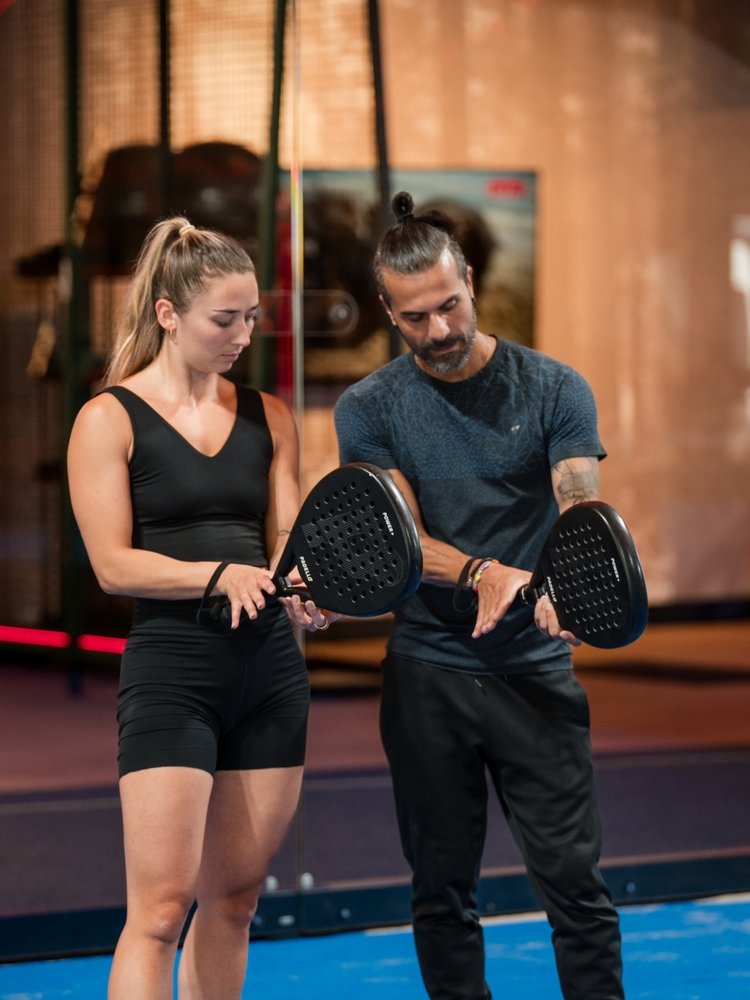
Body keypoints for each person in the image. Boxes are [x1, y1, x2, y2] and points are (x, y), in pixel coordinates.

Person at [334, 192, 624, 1000]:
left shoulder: (554, 387)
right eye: (417, 317)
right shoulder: (369, 408)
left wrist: (571, 580)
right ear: (389, 312)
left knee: (575, 884)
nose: (440, 331)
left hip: (535, 671)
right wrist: (482, 572)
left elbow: (581, 509)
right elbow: (399, 537)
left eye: (451, 305)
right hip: (428, 674)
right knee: (441, 889)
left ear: (468, 279)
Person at [67, 217, 332, 1000]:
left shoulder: (272, 417)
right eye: (226, 318)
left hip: (271, 679)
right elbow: (113, 565)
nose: (243, 334)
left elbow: (285, 550)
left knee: (236, 901)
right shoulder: (106, 420)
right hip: (173, 676)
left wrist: (307, 593)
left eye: (252, 316)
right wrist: (217, 574)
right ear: (168, 314)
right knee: (156, 912)